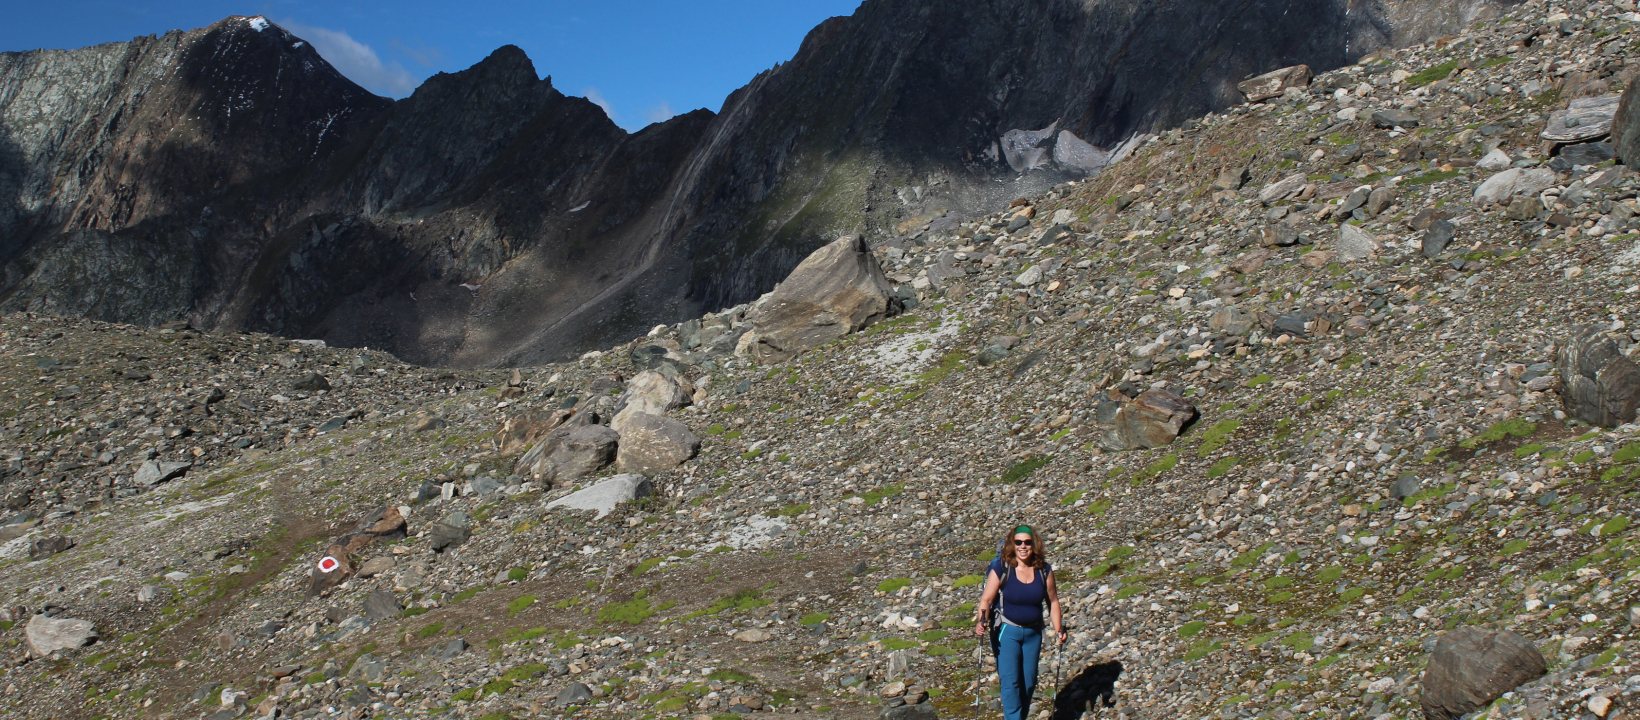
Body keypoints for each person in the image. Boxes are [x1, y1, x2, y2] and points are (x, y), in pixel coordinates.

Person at [973, 524, 1066, 720]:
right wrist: (981, 619)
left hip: (1033, 633)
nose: (1023, 546)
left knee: (1029, 682)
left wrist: (1059, 629)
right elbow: (987, 599)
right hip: (1006, 631)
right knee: (1011, 682)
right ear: (1012, 544)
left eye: (1027, 542)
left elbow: (1053, 601)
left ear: (1034, 544)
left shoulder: (1043, 570)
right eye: (1018, 542)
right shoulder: (1002, 567)